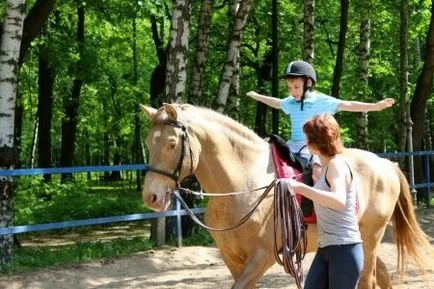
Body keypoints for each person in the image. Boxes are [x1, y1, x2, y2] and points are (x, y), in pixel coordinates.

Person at [246, 60, 395, 181]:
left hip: (314, 147)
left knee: (316, 173)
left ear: (308, 83)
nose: (292, 91)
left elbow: (347, 104)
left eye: (296, 87)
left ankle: (321, 207)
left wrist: (375, 106)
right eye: (289, 87)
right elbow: (277, 103)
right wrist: (256, 96)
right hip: (293, 145)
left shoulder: (322, 101)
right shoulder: (290, 102)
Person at [288, 113, 363, 289]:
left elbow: (338, 201)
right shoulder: (325, 167)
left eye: (307, 137)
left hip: (344, 249)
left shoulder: (336, 165)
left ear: (316, 142)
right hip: (327, 248)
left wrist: (300, 188)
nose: (305, 142)